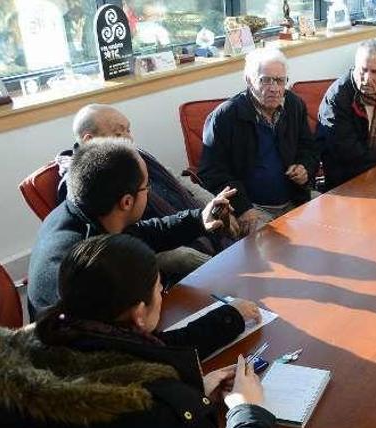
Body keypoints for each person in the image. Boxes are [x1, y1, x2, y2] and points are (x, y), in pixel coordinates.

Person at [1, 234, 274, 428]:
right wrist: (246, 410)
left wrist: (195, 390)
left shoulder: (49, 341)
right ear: (139, 314)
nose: (162, 295)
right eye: (159, 289)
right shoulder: (150, 412)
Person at [27, 137, 237, 320]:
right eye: (147, 188)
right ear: (127, 202)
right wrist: (229, 317)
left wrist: (199, 219)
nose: (149, 192)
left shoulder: (80, 210)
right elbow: (140, 343)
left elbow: (144, 233)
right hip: (88, 357)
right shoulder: (95, 266)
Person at [56, 103, 222, 267]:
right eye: (119, 133)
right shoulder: (86, 182)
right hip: (171, 253)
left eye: (128, 130)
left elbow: (180, 182)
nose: (129, 138)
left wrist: (212, 207)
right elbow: (125, 243)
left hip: (182, 225)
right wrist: (206, 264)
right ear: (90, 140)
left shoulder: (134, 155)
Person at [201, 47, 319, 235]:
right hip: (253, 208)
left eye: (280, 81)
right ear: (249, 80)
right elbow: (212, 173)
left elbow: (309, 148)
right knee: (273, 245)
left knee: (331, 223)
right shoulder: (224, 117)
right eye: (265, 80)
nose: (274, 88)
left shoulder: (295, 105)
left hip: (296, 198)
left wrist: (305, 167)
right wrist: (242, 207)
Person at [316, 39, 376, 190]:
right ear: (355, 67)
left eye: (374, 72)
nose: (367, 78)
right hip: (346, 178)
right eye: (363, 70)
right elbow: (347, 150)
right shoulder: (338, 97)